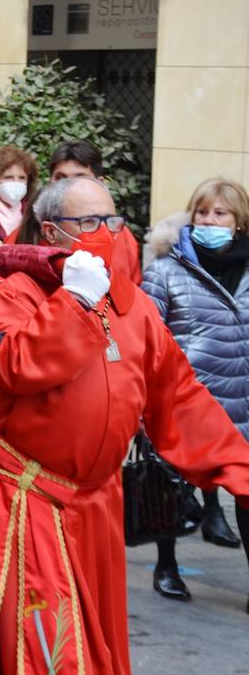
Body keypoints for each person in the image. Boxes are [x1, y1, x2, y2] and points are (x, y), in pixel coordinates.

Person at [0, 176, 249, 675]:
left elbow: (179, 399)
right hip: (34, 496)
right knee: (51, 650)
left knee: (96, 637)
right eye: (89, 222)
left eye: (112, 221)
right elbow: (13, 367)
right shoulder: (17, 293)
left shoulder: (135, 307)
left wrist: (241, 472)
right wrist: (73, 303)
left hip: (98, 502)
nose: (106, 232)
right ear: (52, 233)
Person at [142, 177, 249, 602]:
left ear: (239, 222)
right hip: (189, 401)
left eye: (219, 213)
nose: (208, 220)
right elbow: (148, 335)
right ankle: (166, 567)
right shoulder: (165, 269)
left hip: (242, 400)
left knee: (246, 494)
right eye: (202, 212)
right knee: (172, 486)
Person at [42, 139, 141, 284]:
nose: (69, 188)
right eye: (60, 178)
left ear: (100, 183)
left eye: (80, 179)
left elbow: (133, 294)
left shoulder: (123, 237)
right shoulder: (26, 231)